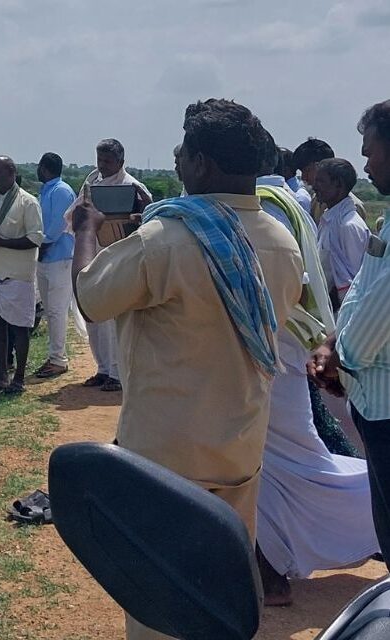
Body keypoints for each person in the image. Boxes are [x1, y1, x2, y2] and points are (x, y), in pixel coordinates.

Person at [73, 99, 303, 640]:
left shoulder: (168, 239)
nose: (176, 158)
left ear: (201, 162)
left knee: (161, 607)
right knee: (218, 597)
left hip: (166, 458)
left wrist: (86, 230)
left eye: (182, 149)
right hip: (241, 449)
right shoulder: (281, 240)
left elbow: (91, 297)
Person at [254, 139, 378, 606]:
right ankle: (270, 561)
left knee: (298, 461)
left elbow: (341, 285)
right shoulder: (292, 205)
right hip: (294, 348)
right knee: (278, 463)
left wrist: (340, 346)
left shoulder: (269, 211)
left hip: (284, 352)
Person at [310, 98, 390, 572]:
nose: (367, 162)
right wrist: (333, 343)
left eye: (371, 150)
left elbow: (376, 308)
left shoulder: (355, 221)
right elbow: (364, 284)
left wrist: (343, 353)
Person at [64, 139, 152, 392]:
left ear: (121, 163)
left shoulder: (134, 187)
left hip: (121, 258)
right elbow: (72, 218)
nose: (102, 165)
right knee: (94, 316)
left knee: (115, 318)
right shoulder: (91, 186)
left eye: (108, 161)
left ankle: (117, 373)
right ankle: (102, 368)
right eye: (100, 160)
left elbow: (147, 221)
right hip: (94, 255)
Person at [0, 156, 44, 395]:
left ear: (12, 172)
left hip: (16, 275)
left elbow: (35, 238)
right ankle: (1, 376)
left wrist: (3, 242)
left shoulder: (28, 202)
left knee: (20, 329)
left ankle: (19, 379)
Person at [34, 152, 78, 379]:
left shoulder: (61, 190)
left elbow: (59, 224)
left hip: (60, 257)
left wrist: (41, 243)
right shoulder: (47, 190)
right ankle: (54, 356)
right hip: (45, 257)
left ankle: (59, 360)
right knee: (49, 311)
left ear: (45, 168)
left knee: (57, 310)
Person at [314, 158, 371, 309]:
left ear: (338, 184)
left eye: (321, 181)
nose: (314, 186)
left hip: (342, 313)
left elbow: (355, 282)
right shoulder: (329, 220)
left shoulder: (349, 226)